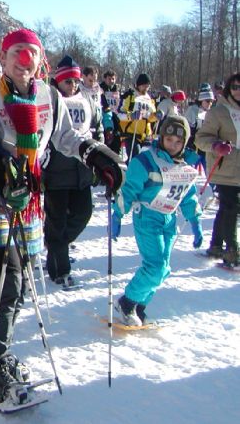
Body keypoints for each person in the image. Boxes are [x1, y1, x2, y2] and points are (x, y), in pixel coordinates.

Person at [0, 29, 124, 404]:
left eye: (31, 52)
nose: (24, 60)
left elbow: (65, 138)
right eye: (16, 52)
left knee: (22, 282)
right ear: (3, 57)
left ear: (40, 59)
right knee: (7, 279)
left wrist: (95, 154)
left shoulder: (49, 95)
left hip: (29, 195)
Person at [112, 115, 202, 325]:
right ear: (161, 137)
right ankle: (127, 302)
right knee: (156, 266)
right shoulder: (147, 161)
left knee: (164, 269)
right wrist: (118, 214)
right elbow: (129, 189)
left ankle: (139, 305)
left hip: (169, 219)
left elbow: (188, 196)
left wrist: (195, 221)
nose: (173, 145)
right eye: (169, 139)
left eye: (178, 142)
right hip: (147, 216)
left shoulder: (184, 166)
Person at [43, 55, 103, 286]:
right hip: (56, 173)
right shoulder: (50, 99)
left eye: (76, 81)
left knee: (83, 214)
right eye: (68, 81)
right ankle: (60, 269)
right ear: (58, 81)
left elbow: (96, 127)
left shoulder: (86, 100)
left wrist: (99, 156)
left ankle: (56, 247)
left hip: (82, 171)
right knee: (57, 221)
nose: (73, 85)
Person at [195, 72, 240, 266]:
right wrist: (216, 145)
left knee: (227, 207)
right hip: (224, 167)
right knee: (232, 205)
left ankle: (215, 245)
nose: (238, 91)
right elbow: (200, 139)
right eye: (235, 87)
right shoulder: (219, 111)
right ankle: (232, 250)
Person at [118, 73, 157, 159]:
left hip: (145, 135)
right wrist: (131, 116)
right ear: (138, 85)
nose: (146, 88)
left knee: (146, 160)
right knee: (135, 157)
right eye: (144, 86)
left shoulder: (149, 99)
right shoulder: (130, 96)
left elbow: (151, 117)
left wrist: (156, 116)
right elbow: (119, 115)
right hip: (131, 133)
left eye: (147, 86)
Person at [185, 88, 215, 171]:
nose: (210, 103)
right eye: (208, 101)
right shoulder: (192, 110)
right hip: (193, 146)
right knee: (190, 169)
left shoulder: (211, 112)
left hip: (205, 145)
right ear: (201, 100)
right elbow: (187, 127)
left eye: (212, 101)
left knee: (207, 168)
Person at [99, 69, 122, 153]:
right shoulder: (100, 89)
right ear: (105, 79)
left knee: (116, 142)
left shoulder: (116, 90)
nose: (112, 81)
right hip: (103, 118)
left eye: (113, 79)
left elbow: (120, 104)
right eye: (109, 79)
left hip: (115, 118)